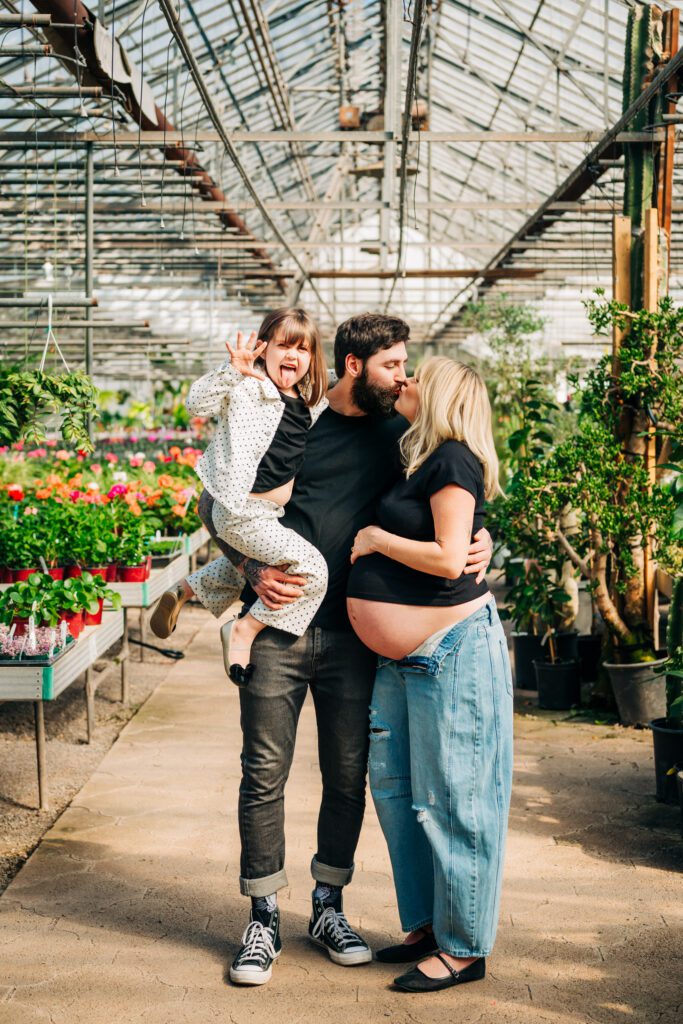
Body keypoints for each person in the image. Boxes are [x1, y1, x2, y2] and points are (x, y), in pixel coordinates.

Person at [184, 314, 493, 987]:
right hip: (279, 628)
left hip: (354, 638)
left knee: (347, 777)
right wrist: (247, 566)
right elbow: (217, 502)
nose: (402, 378)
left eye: (406, 367)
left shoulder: (400, 437)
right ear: (354, 365)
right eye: (392, 365)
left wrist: (481, 539)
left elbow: (446, 497)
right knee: (263, 773)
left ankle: (328, 906)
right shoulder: (293, 416)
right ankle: (263, 916)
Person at [347, 356, 513, 994]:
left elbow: (448, 560)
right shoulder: (420, 458)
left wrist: (376, 540)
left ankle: (464, 948)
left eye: (417, 374)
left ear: (441, 393)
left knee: (455, 799)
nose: (405, 379)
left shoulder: (453, 460)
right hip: (402, 657)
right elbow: (457, 538)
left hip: (450, 649)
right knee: (395, 792)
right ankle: (426, 925)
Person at [150, 309, 328, 684]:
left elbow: (337, 392)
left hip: (265, 514)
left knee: (254, 569)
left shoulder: (309, 402)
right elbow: (196, 405)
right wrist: (232, 371)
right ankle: (243, 630)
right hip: (243, 510)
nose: (293, 355)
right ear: (264, 348)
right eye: (284, 346)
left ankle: (185, 590)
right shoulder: (249, 386)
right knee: (313, 571)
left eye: (303, 349)